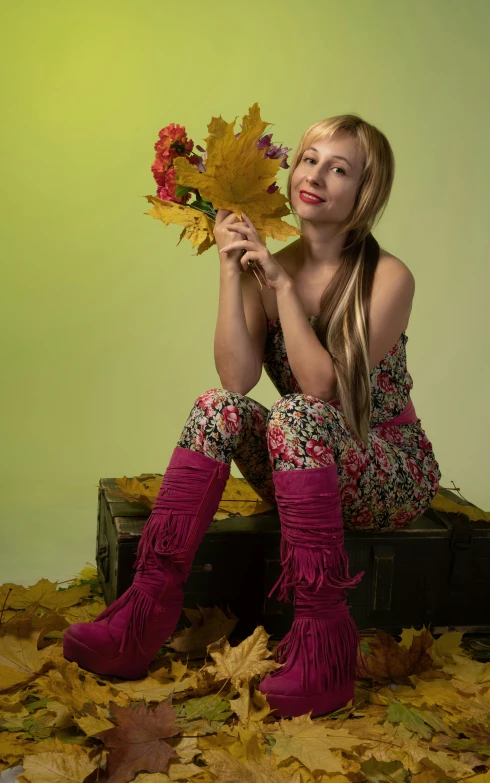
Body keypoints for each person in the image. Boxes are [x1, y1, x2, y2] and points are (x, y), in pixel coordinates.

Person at [63, 114, 441, 719]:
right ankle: (144, 613)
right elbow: (237, 379)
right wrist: (229, 267)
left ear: (364, 194)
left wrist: (283, 290)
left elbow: (325, 393)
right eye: (310, 158)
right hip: (305, 460)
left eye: (339, 169)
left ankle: (322, 652)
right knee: (218, 408)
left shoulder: (388, 278)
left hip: (385, 469)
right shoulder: (270, 263)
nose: (315, 175)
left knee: (294, 411)